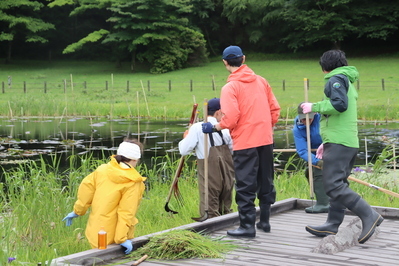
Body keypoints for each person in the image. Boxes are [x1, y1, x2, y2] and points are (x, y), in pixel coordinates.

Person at [301, 49, 383, 244]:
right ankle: (332, 223)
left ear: (325, 67)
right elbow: (341, 116)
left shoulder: (335, 80)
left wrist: (314, 106)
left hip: (340, 142)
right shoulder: (347, 80)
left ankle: (369, 214)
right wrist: (325, 142)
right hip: (344, 140)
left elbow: (339, 105)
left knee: (332, 184)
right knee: (339, 183)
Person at [202, 46, 280, 237]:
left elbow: (232, 118)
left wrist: (214, 127)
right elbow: (275, 110)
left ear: (224, 62)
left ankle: (247, 226)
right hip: (265, 139)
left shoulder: (230, 87)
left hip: (245, 141)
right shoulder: (261, 81)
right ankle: (265, 222)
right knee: (265, 179)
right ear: (243, 58)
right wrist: (264, 127)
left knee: (245, 183)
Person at [62, 138, 146, 254]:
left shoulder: (102, 170)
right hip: (114, 236)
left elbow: (86, 190)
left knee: (97, 259)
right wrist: (121, 238)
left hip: (96, 231)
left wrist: (77, 211)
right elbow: (126, 212)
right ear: (136, 159)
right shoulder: (133, 181)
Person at [179, 98, 235, 218]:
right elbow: (233, 149)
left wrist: (185, 138)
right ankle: (228, 224)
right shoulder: (227, 128)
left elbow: (184, 150)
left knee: (210, 200)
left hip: (209, 170)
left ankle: (211, 228)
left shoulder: (197, 128)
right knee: (226, 200)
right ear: (218, 112)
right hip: (228, 169)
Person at [293, 103, 329, 213]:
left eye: (309, 118)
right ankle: (324, 200)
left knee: (319, 174)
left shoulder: (322, 119)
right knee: (309, 172)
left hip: (328, 147)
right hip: (313, 153)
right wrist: (317, 161)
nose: (306, 121)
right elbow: (302, 150)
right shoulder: (297, 129)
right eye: (303, 119)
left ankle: (324, 203)